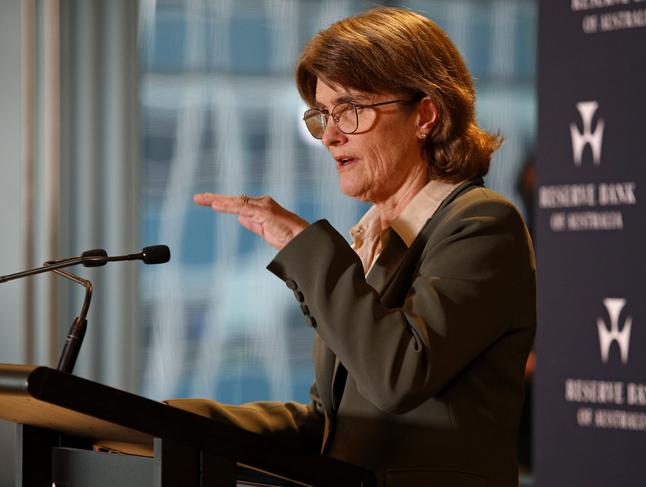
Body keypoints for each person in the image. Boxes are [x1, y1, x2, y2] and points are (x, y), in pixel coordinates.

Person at [168, 7, 536, 486]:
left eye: (352, 110)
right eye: (323, 114)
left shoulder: (482, 224)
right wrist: (168, 419)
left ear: (425, 114)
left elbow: (399, 373)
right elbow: (331, 426)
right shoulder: (374, 240)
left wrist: (306, 247)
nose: (331, 135)